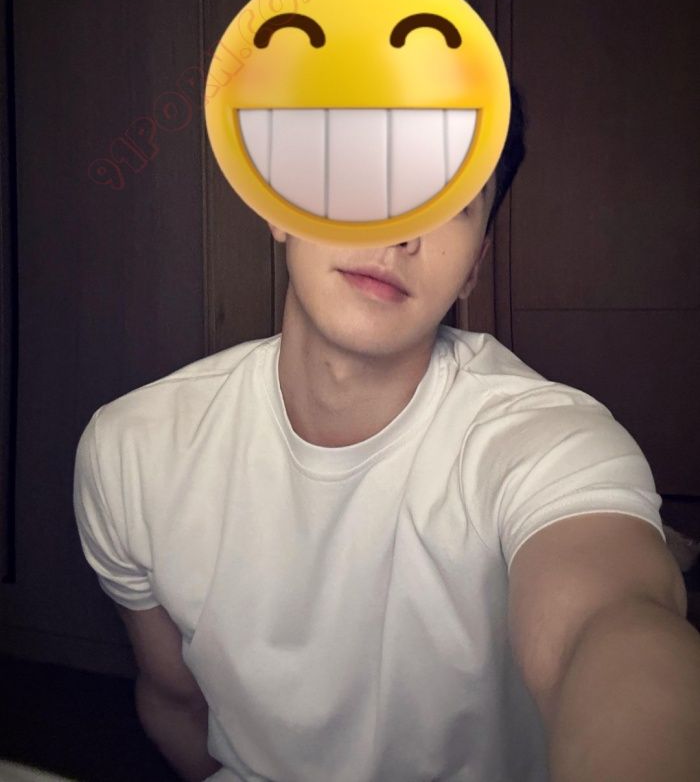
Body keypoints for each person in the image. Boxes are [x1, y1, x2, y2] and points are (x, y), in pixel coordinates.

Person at [73, 86, 674, 782]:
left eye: (449, 201)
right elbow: (175, 700)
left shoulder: (548, 443)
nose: (401, 233)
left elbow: (609, 631)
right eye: (369, 171)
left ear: (474, 265)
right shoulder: (132, 450)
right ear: (281, 201)